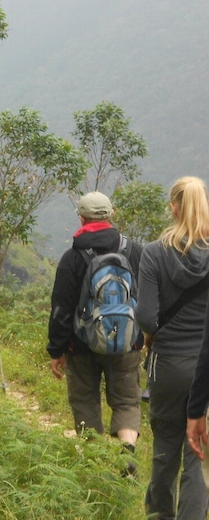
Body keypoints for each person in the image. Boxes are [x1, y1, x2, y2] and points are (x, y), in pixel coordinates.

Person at [46, 191, 143, 469]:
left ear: (81, 218)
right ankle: (127, 450)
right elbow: (148, 298)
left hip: (82, 344)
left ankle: (96, 461)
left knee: (85, 399)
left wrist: (57, 348)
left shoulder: (72, 257)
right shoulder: (135, 251)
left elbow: (61, 308)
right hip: (127, 342)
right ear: (111, 215)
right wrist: (144, 335)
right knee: (126, 400)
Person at [135, 176, 209, 519]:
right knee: (199, 451)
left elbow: (147, 319)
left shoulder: (154, 253)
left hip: (166, 365)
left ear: (174, 207)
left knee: (165, 448)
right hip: (204, 367)